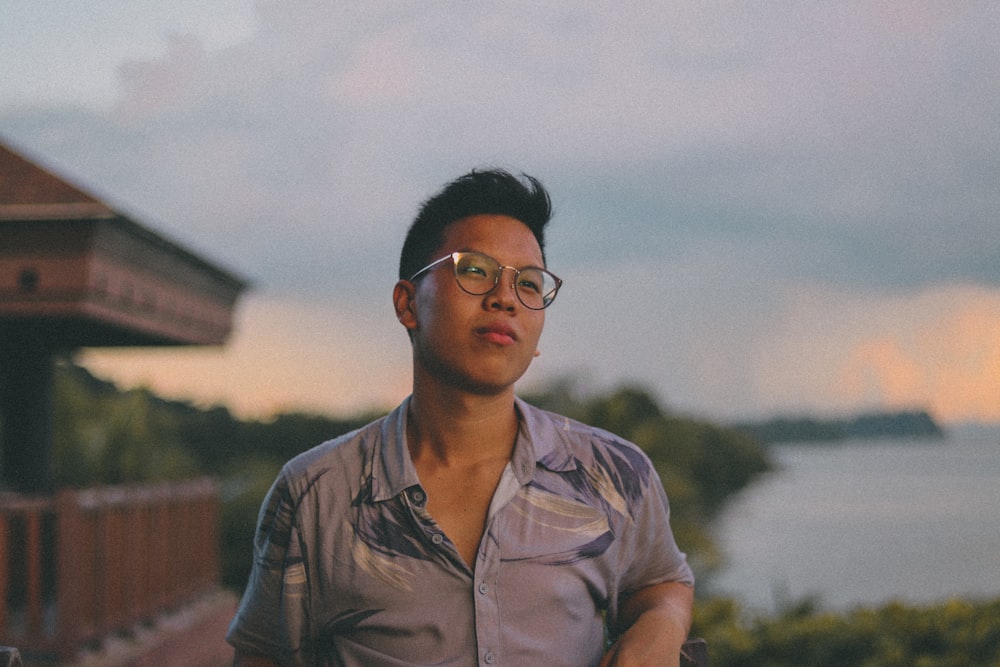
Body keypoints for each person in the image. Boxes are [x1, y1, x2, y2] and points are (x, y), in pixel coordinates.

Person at [227, 169, 694, 666]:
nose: (505, 297)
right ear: (408, 304)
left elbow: (661, 581)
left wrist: (662, 623)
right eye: (474, 270)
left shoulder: (613, 475)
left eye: (529, 283)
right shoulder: (315, 495)